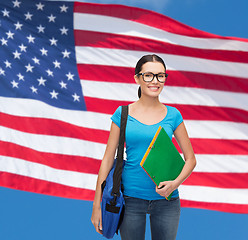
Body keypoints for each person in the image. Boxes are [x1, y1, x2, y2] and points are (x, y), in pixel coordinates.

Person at [91, 54, 196, 240]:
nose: (155, 81)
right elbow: (107, 159)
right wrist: (97, 205)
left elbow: (191, 159)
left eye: (160, 76)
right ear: (137, 78)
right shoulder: (123, 113)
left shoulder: (173, 115)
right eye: (148, 75)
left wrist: (175, 183)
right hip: (130, 200)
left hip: (167, 202)